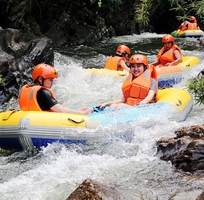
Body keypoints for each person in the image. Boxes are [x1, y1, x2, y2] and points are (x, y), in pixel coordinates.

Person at [18, 63, 93, 114]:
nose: (52, 83)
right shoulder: (43, 93)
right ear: (40, 79)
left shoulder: (29, 89)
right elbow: (60, 110)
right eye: (50, 80)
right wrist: (80, 113)